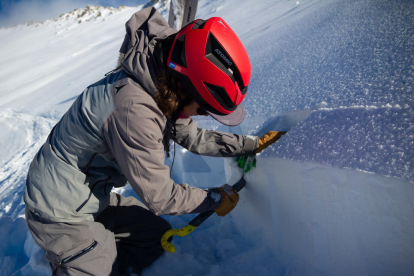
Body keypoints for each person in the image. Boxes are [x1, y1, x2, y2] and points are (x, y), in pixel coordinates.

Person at [24, 7, 285, 276]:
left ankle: (105, 252)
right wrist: (214, 198)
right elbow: (160, 197)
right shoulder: (134, 110)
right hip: (59, 211)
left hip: (90, 194)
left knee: (154, 237)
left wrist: (247, 145)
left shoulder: (162, 78)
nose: (203, 116)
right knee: (99, 269)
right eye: (204, 109)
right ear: (187, 88)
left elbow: (193, 136)